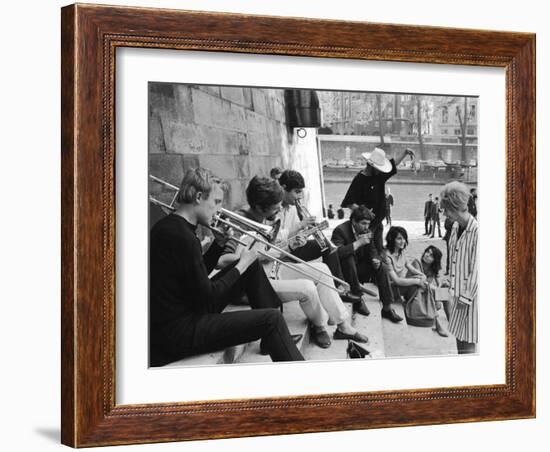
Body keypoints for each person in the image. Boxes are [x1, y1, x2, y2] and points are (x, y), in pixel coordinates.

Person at [149, 168, 304, 366]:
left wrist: (218, 245)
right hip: (178, 333)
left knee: (252, 266)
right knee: (271, 319)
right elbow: (209, 296)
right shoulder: (181, 236)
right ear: (198, 197)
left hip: (187, 309)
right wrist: (241, 265)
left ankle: (273, 341)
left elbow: (197, 278)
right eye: (216, 202)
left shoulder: (176, 227)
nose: (220, 210)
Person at [218, 176, 368, 347]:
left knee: (323, 269)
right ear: (259, 207)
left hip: (273, 269)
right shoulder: (239, 222)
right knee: (307, 287)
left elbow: (271, 249)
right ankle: (319, 326)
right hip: (253, 285)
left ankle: (343, 325)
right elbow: (222, 261)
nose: (278, 212)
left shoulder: (264, 217)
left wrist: (290, 245)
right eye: (275, 209)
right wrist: (257, 255)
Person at [277, 169, 366, 312]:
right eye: (297, 192)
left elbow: (294, 237)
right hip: (280, 253)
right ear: (284, 189)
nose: (300, 196)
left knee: (325, 246)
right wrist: (300, 225)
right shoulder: (274, 208)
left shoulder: (293, 208)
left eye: (301, 192)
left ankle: (337, 287)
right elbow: (279, 237)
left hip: (291, 247)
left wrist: (309, 231)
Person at [331, 206, 404, 323]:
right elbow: (335, 254)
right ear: (353, 221)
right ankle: (357, 298)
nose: (366, 227)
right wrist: (358, 243)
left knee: (382, 267)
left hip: (359, 270)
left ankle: (387, 307)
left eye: (368, 224)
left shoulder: (367, 231)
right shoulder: (340, 231)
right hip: (344, 274)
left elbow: (373, 250)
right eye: (363, 223)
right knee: (348, 257)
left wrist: (376, 260)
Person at [341, 147, 415, 252]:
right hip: (365, 226)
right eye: (378, 168)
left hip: (378, 222)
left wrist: (404, 153)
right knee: (369, 253)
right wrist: (364, 212)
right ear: (371, 166)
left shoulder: (379, 176)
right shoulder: (359, 180)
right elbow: (349, 203)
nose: (381, 170)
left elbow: (393, 165)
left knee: (379, 249)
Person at [440, 181, 479, 354]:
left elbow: (477, 271)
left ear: (454, 207)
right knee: (458, 337)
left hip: (470, 297)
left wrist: (466, 298)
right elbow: (454, 259)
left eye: (445, 210)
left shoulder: (477, 232)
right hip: (456, 292)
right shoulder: (455, 227)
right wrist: (448, 278)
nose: (444, 214)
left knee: (468, 340)